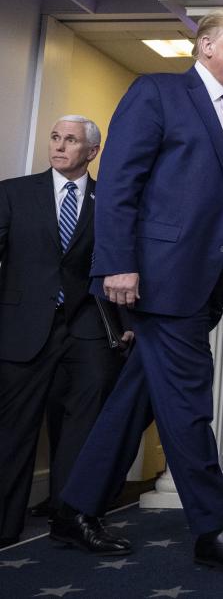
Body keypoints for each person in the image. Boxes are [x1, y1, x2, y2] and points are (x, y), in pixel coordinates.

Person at [52, 9, 223, 573]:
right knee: (188, 404)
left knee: (135, 398)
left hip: (210, 283)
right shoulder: (157, 93)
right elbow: (119, 184)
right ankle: (214, 529)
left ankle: (75, 510)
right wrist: (117, 264)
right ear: (205, 46)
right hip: (159, 281)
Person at [0, 116, 128, 549]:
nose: (58, 146)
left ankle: (70, 518)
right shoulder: (13, 193)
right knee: (14, 427)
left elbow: (122, 262)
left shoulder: (110, 201)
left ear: (92, 151)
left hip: (87, 327)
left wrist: (127, 325)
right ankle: (4, 525)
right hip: (23, 327)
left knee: (83, 427)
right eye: (55, 138)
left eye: (70, 140)